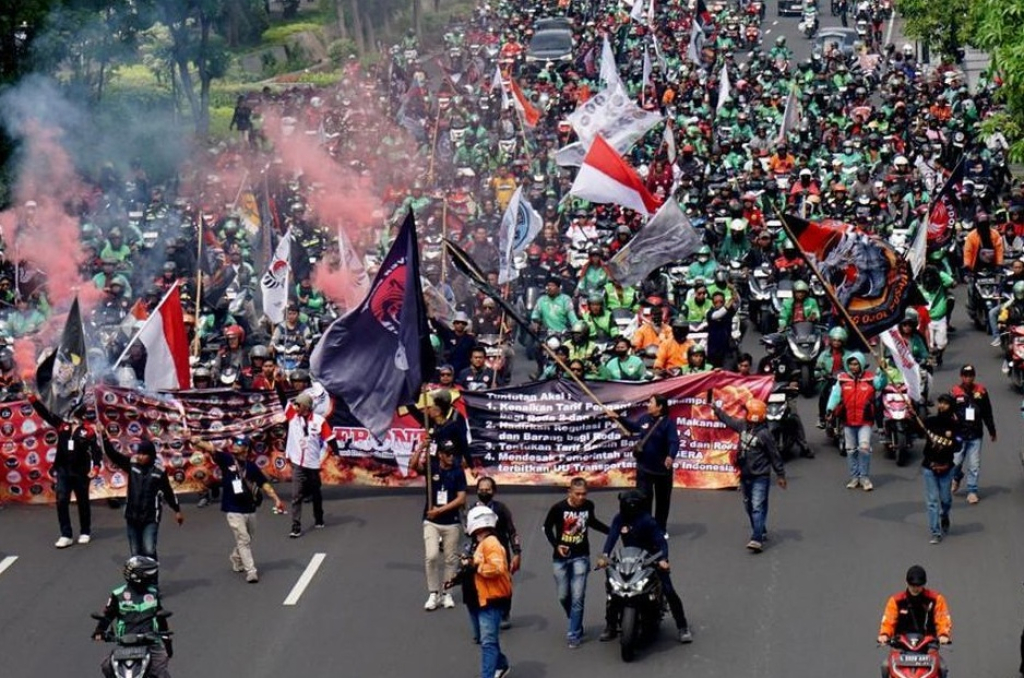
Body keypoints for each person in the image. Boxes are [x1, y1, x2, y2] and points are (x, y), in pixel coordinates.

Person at [596, 490, 693, 644]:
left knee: (668, 590)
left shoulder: (647, 521)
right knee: (613, 590)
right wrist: (605, 556)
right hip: (628, 560)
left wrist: (663, 559)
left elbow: (661, 542)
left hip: (651, 560)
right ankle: (611, 626)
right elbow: (612, 537)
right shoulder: (619, 519)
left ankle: (682, 626)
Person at [189, 433, 285, 583]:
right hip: (233, 508)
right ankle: (251, 571)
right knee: (244, 539)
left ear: (246, 448)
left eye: (239, 444)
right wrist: (199, 442)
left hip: (250, 508)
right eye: (234, 443)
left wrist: (276, 499)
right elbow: (212, 449)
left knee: (248, 538)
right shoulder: (227, 459)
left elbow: (263, 484)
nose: (235, 445)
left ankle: (236, 556)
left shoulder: (251, 467)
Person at [710, 396, 787, 552]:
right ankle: (760, 529)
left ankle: (756, 538)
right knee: (749, 506)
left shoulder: (765, 434)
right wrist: (716, 410)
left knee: (757, 506)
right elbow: (728, 420)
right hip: (745, 475)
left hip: (761, 476)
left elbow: (774, 455)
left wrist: (780, 475)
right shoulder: (742, 425)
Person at [542, 477, 610, 648]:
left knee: (578, 596)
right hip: (560, 559)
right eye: (577, 494)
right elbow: (547, 527)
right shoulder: (558, 508)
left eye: (584, 494)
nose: (581, 498)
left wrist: (612, 531)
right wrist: (556, 546)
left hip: (581, 556)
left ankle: (574, 633)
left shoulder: (588, 506)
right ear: (570, 492)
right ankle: (574, 619)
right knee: (563, 596)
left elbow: (592, 522)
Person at [28, 395, 101, 548]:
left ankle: (85, 531)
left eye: (73, 412)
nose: (70, 415)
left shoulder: (88, 431)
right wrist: (33, 399)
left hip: (81, 472)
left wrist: (95, 468)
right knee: (61, 500)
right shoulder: (62, 426)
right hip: (63, 470)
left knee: (82, 501)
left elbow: (96, 451)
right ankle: (66, 534)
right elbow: (45, 414)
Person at [100, 434, 183, 564]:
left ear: (151, 456)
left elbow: (168, 492)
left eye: (144, 454)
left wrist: (177, 510)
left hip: (150, 517)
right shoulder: (132, 465)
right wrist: (104, 436)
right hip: (132, 516)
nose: (140, 456)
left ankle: (152, 583)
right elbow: (113, 454)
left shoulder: (159, 472)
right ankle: (137, 583)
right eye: (138, 453)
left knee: (149, 550)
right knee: (135, 552)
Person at [92, 556, 172, 678]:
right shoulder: (118, 594)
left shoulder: (153, 593)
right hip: (126, 644)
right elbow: (108, 615)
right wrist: (100, 631)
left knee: (160, 671)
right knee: (107, 666)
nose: (152, 576)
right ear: (137, 576)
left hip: (151, 642)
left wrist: (166, 640)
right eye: (148, 573)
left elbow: (160, 616)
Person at [411, 437, 467, 611]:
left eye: (453, 454)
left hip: (451, 522)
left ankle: (447, 593)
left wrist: (440, 511)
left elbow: (461, 498)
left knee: (450, 559)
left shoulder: (458, 471)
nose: (451, 457)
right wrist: (422, 446)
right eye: (448, 454)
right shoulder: (432, 467)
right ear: (441, 455)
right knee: (432, 556)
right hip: (431, 522)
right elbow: (414, 466)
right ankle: (433, 593)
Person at [611, 395, 678, 533]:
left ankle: (660, 529)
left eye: (651, 403)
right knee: (643, 500)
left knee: (662, 502)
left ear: (659, 407)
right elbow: (633, 427)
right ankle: (646, 527)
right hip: (644, 469)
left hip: (662, 471)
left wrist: (670, 456)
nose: (648, 405)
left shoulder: (668, 423)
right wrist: (618, 417)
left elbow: (674, 442)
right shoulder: (644, 419)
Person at [464, 505, 513, 678]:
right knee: (485, 639)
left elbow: (496, 568)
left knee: (488, 643)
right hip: (476, 598)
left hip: (490, 601)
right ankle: (501, 664)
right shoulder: (478, 543)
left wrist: (475, 566)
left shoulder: (491, 543)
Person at [877, 565, 952, 678]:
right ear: (906, 583)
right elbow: (888, 620)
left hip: (927, 646)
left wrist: (943, 635)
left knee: (942, 668)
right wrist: (884, 635)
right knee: (885, 666)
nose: (915, 588)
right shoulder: (896, 601)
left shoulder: (936, 599)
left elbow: (942, 618)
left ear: (924, 584)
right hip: (901, 646)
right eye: (913, 585)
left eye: (919, 585)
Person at [827, 352, 887, 491]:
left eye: (856, 364)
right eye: (851, 364)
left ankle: (864, 478)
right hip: (847, 420)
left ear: (861, 364)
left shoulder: (871, 378)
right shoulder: (842, 379)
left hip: (865, 420)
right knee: (850, 450)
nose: (853, 367)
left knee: (864, 448)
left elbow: (881, 385)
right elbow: (835, 395)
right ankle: (855, 477)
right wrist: (830, 409)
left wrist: (883, 372)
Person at [284, 392, 335, 538]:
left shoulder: (319, 421)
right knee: (296, 496)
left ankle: (318, 517)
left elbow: (330, 438)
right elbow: (282, 399)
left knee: (316, 492)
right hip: (297, 463)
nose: (295, 407)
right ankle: (296, 526)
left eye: (298, 404)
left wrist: (337, 453)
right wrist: (279, 383)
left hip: (312, 464)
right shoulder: (293, 416)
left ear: (305, 406)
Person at [473, 477, 521, 629]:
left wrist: (517, 553)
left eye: (487, 490)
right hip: (480, 553)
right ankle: (486, 615)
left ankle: (505, 613)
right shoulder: (472, 509)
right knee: (482, 584)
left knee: (503, 584)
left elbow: (512, 531)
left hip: (500, 553)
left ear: (493, 491)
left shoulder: (501, 508)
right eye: (481, 490)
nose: (484, 492)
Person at [915, 394, 959, 544]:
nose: (942, 406)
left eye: (945, 403)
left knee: (945, 500)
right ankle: (935, 532)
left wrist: (947, 443)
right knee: (932, 501)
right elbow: (919, 432)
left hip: (946, 468)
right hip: (929, 467)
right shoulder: (930, 421)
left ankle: (944, 515)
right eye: (940, 403)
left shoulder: (955, 425)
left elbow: (958, 445)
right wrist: (913, 417)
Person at [949, 364, 996, 504]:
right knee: (955, 463)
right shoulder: (954, 392)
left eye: (970, 375)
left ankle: (972, 491)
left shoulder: (981, 392)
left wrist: (992, 431)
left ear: (974, 376)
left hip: (975, 434)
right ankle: (957, 477)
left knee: (974, 465)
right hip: (959, 435)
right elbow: (947, 411)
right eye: (965, 375)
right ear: (961, 376)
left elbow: (987, 412)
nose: (968, 378)